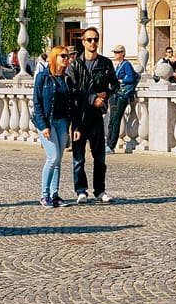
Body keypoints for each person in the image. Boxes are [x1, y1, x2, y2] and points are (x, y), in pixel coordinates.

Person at [66, 28, 119, 203]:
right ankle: (81, 190)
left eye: (95, 39)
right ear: (83, 42)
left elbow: (115, 85)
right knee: (78, 158)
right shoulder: (75, 65)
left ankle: (100, 190)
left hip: (97, 114)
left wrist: (105, 95)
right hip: (79, 115)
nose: (92, 43)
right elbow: (73, 92)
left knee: (100, 158)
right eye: (89, 40)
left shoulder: (105, 63)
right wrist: (91, 99)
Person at [32, 46, 78, 207]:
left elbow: (73, 103)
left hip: (62, 122)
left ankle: (55, 194)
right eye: (63, 56)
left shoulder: (67, 79)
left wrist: (74, 125)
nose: (66, 59)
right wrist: (44, 126)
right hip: (47, 122)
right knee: (52, 157)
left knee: (58, 159)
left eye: (68, 56)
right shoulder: (43, 77)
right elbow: (36, 103)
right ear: (54, 57)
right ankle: (44, 195)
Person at [106, 44, 139, 152]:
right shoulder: (118, 65)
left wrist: (121, 81)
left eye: (118, 52)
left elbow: (130, 78)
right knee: (112, 120)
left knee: (116, 119)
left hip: (123, 95)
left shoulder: (126, 64)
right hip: (116, 94)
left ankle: (111, 145)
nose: (115, 54)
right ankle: (108, 143)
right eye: (115, 52)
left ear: (123, 53)